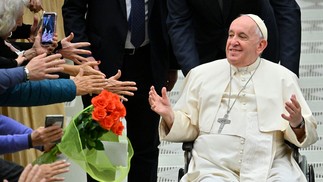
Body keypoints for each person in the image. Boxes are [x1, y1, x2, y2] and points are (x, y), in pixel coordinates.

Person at [149, 14, 318, 181]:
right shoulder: (200, 75)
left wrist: (298, 123)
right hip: (212, 166)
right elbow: (190, 127)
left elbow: (307, 134)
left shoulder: (283, 78)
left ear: (260, 45)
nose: (233, 42)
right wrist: (170, 116)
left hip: (271, 164)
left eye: (242, 36)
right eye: (231, 35)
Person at [62, 0, 177, 181]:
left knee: (145, 145)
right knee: (99, 143)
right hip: (101, 63)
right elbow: (73, 10)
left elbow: (172, 12)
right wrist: (85, 57)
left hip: (147, 62)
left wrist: (172, 65)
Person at [167, 0, 301, 76]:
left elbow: (286, 10)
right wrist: (193, 74)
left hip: (256, 53)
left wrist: (289, 75)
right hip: (204, 54)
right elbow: (179, 21)